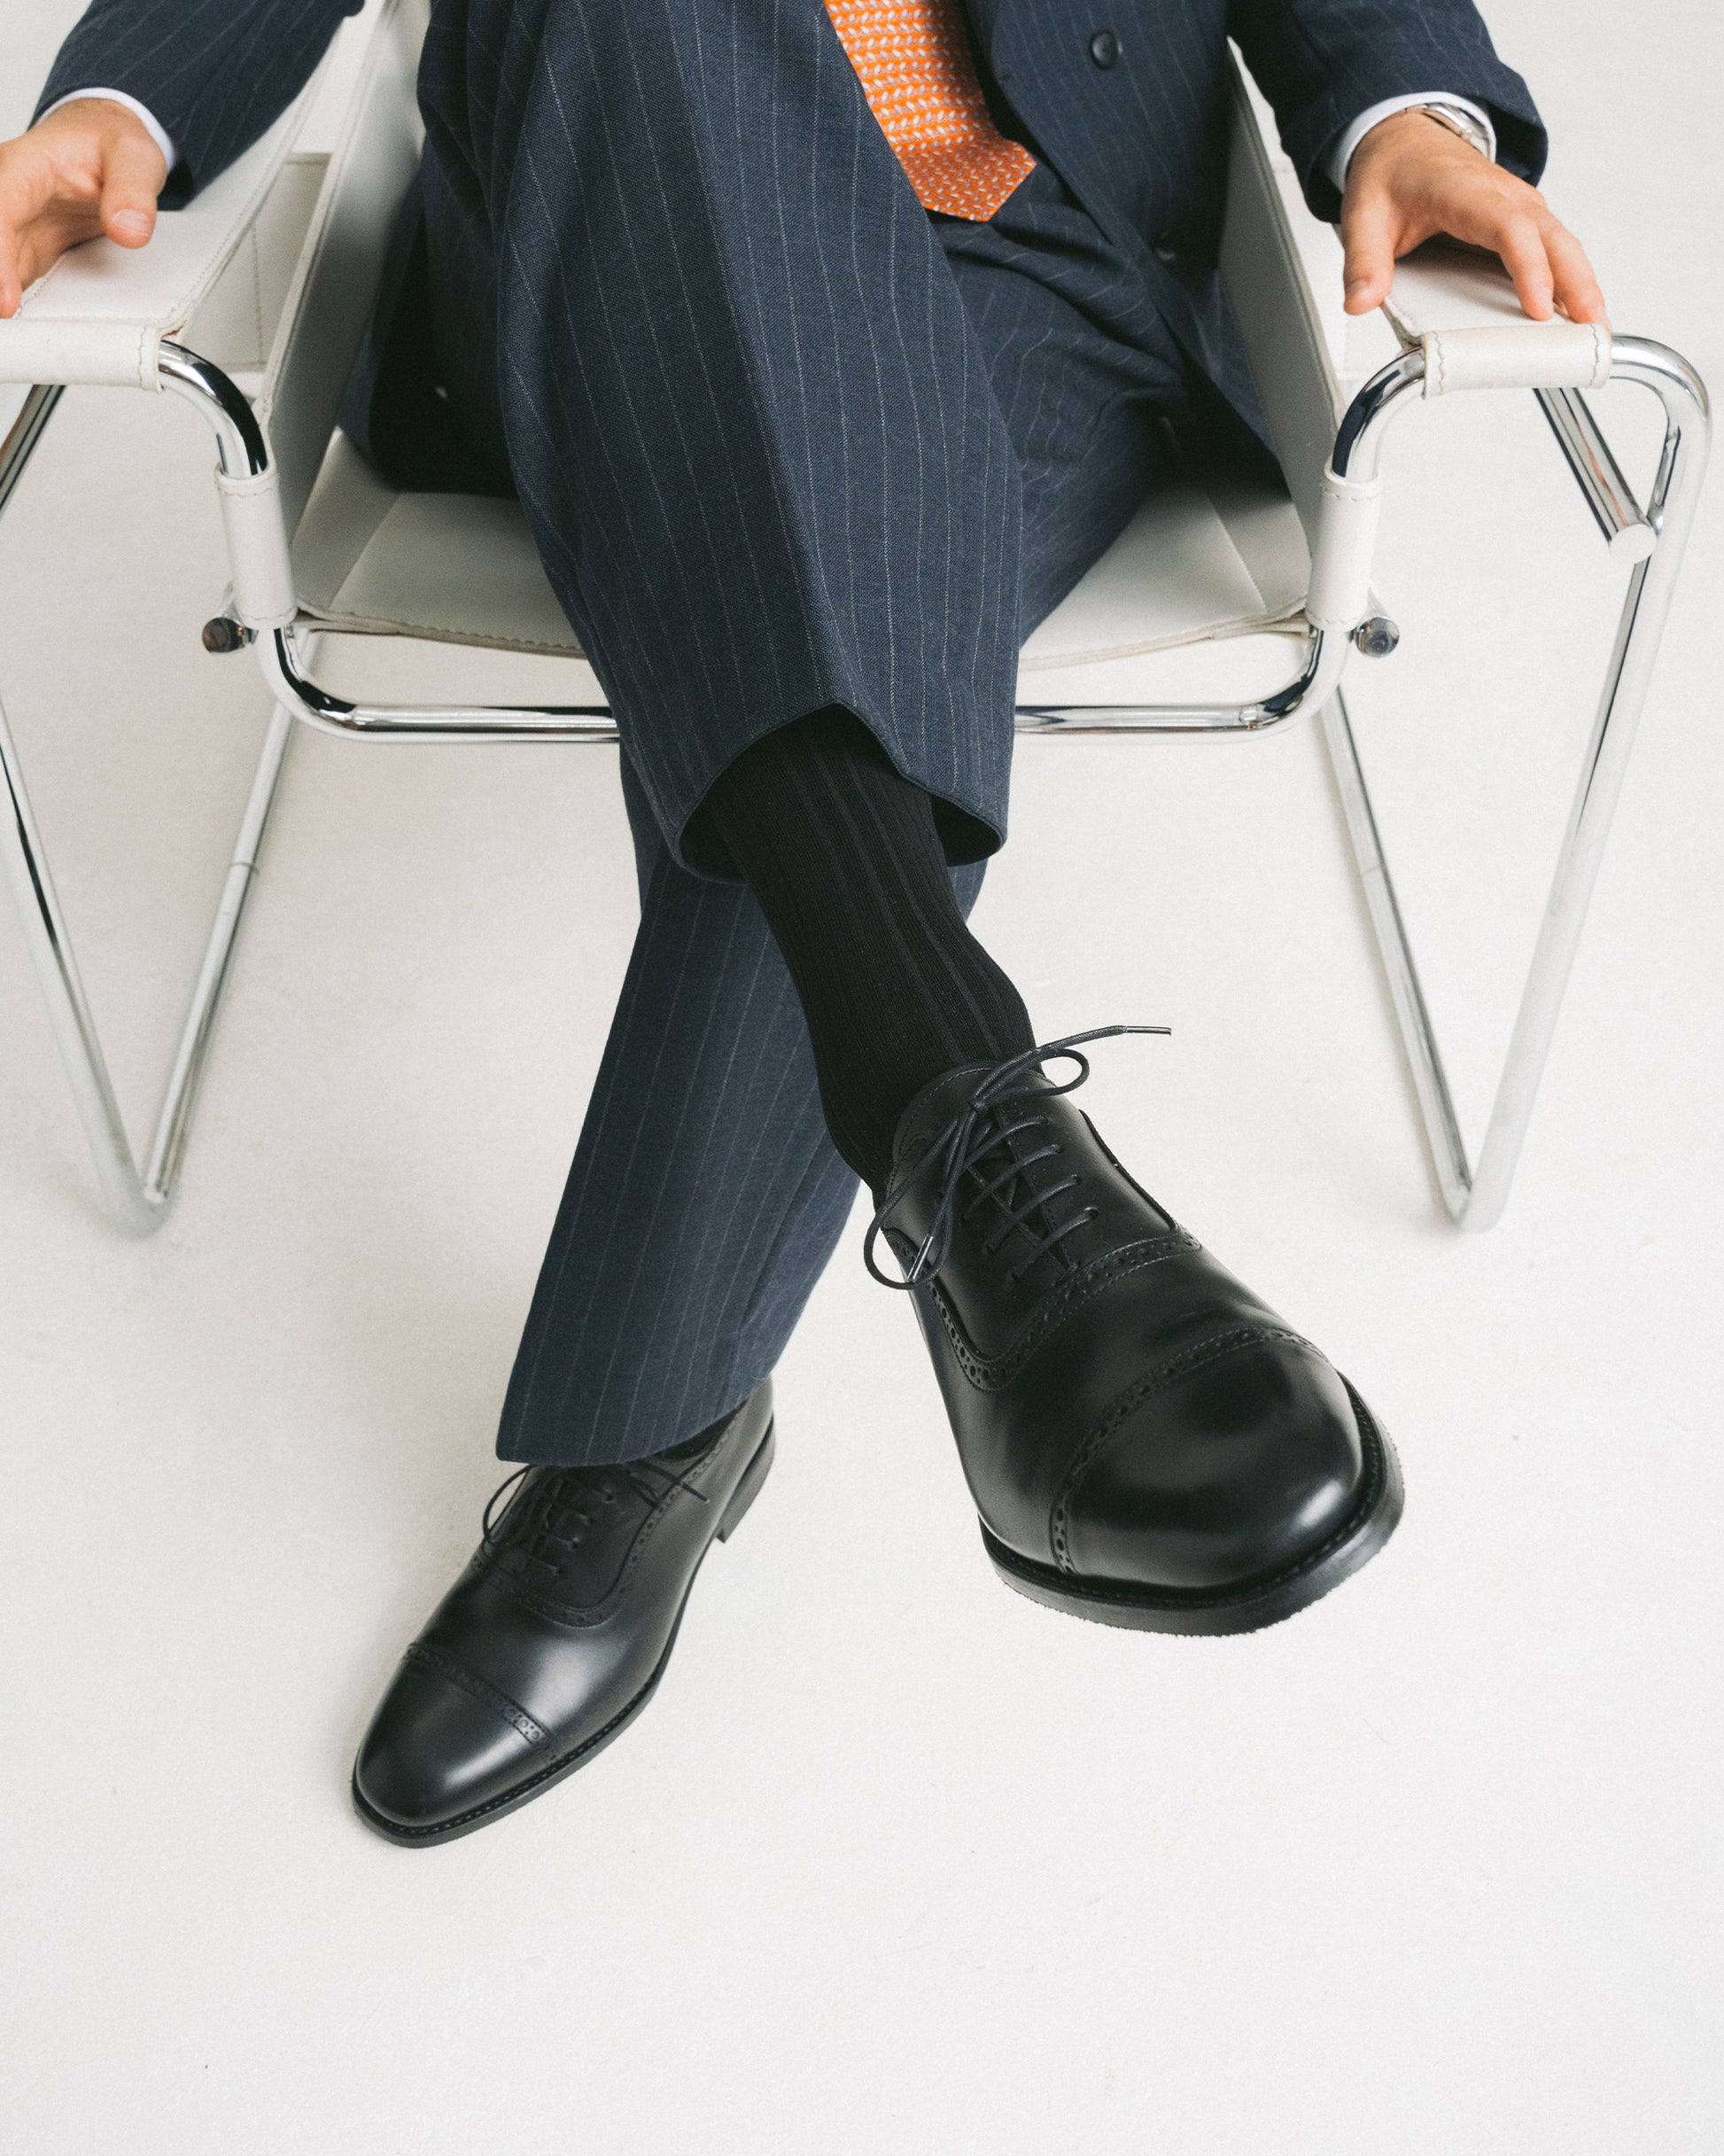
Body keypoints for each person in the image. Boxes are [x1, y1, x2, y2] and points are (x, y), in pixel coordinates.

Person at [2, 0, 1604, 1848]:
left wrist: (1397, 107)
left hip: (1039, 255)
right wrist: (128, 98)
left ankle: (670, 1414)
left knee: (817, 598)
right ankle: (938, 1162)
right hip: (596, 231)